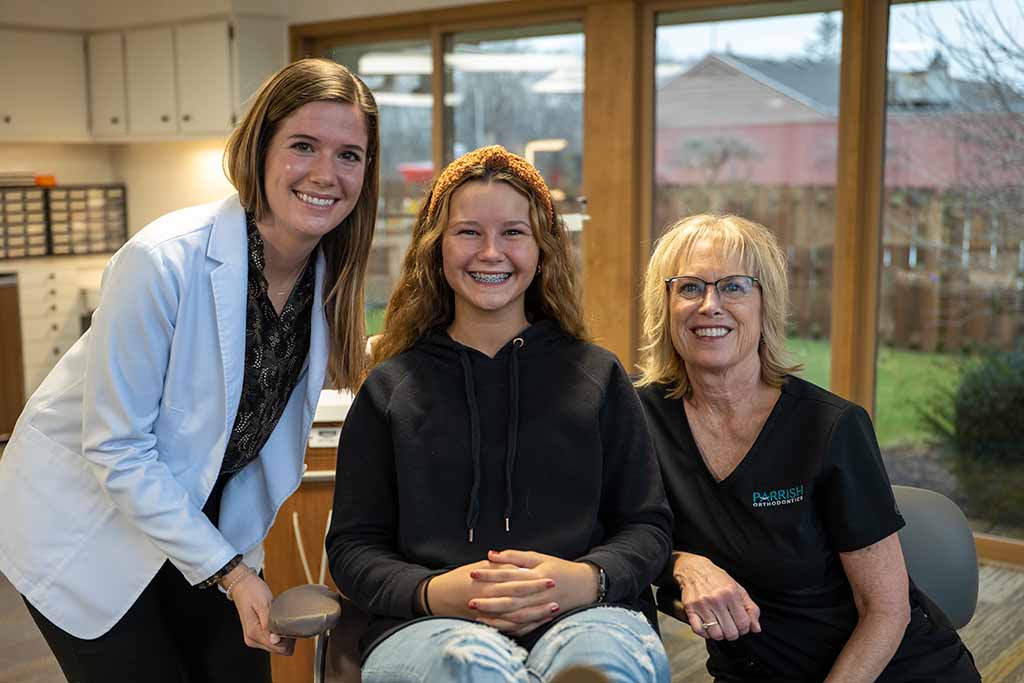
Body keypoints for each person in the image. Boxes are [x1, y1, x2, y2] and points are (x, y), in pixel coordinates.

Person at [0, 58, 380, 682]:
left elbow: (244, 453)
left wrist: (240, 568)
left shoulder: (328, 282)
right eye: (303, 146)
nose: (325, 174)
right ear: (260, 149)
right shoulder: (162, 261)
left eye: (349, 155)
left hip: (200, 528)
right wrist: (231, 573)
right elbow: (118, 448)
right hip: (84, 526)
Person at [325, 145, 673, 683]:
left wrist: (585, 580)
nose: (491, 252)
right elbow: (352, 547)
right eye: (468, 232)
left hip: (590, 616)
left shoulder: (599, 377)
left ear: (542, 250)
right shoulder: (389, 389)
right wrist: (435, 592)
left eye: (513, 232)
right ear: (435, 247)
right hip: (430, 627)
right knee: (469, 667)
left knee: (604, 665)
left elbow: (647, 527)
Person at [634, 214, 980, 683]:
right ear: (665, 304)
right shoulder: (639, 417)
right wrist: (683, 563)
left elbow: (886, 610)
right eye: (689, 287)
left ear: (765, 304)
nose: (710, 305)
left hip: (885, 670)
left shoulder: (831, 427)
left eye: (734, 286)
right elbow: (621, 535)